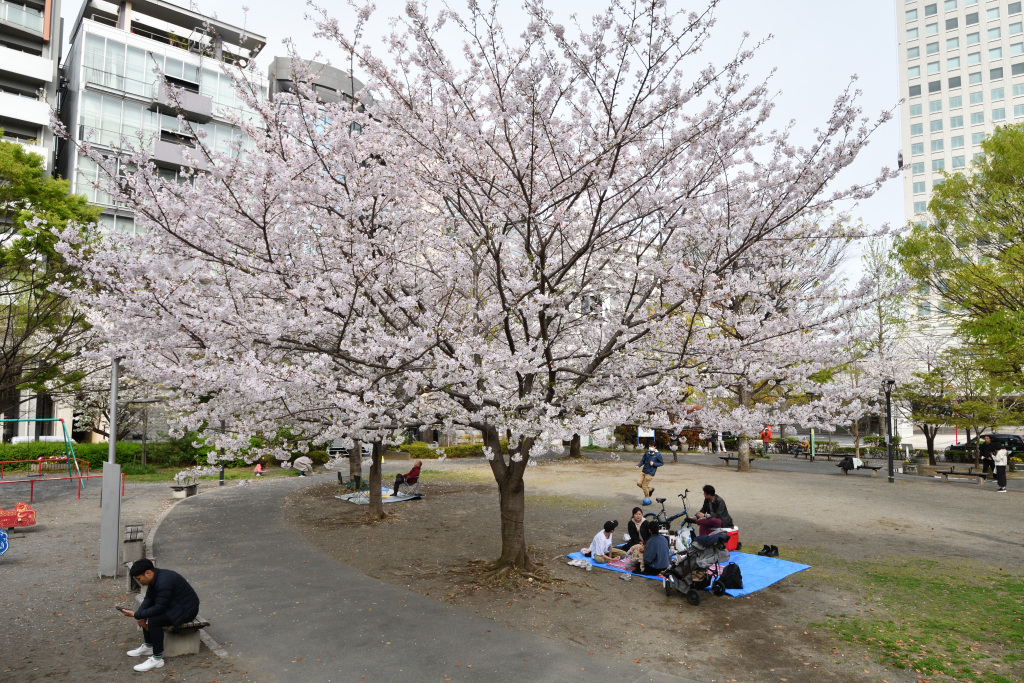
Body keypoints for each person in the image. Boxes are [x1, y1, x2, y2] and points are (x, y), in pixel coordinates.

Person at [118, 559, 200, 672]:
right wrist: (140, 614)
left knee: (154, 620)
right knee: (146, 615)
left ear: (148, 573)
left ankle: (157, 658)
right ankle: (149, 646)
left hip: (186, 610)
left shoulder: (164, 581)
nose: (139, 582)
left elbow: (159, 608)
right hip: (174, 606)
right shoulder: (156, 578)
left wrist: (137, 614)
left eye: (139, 579)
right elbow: (149, 598)